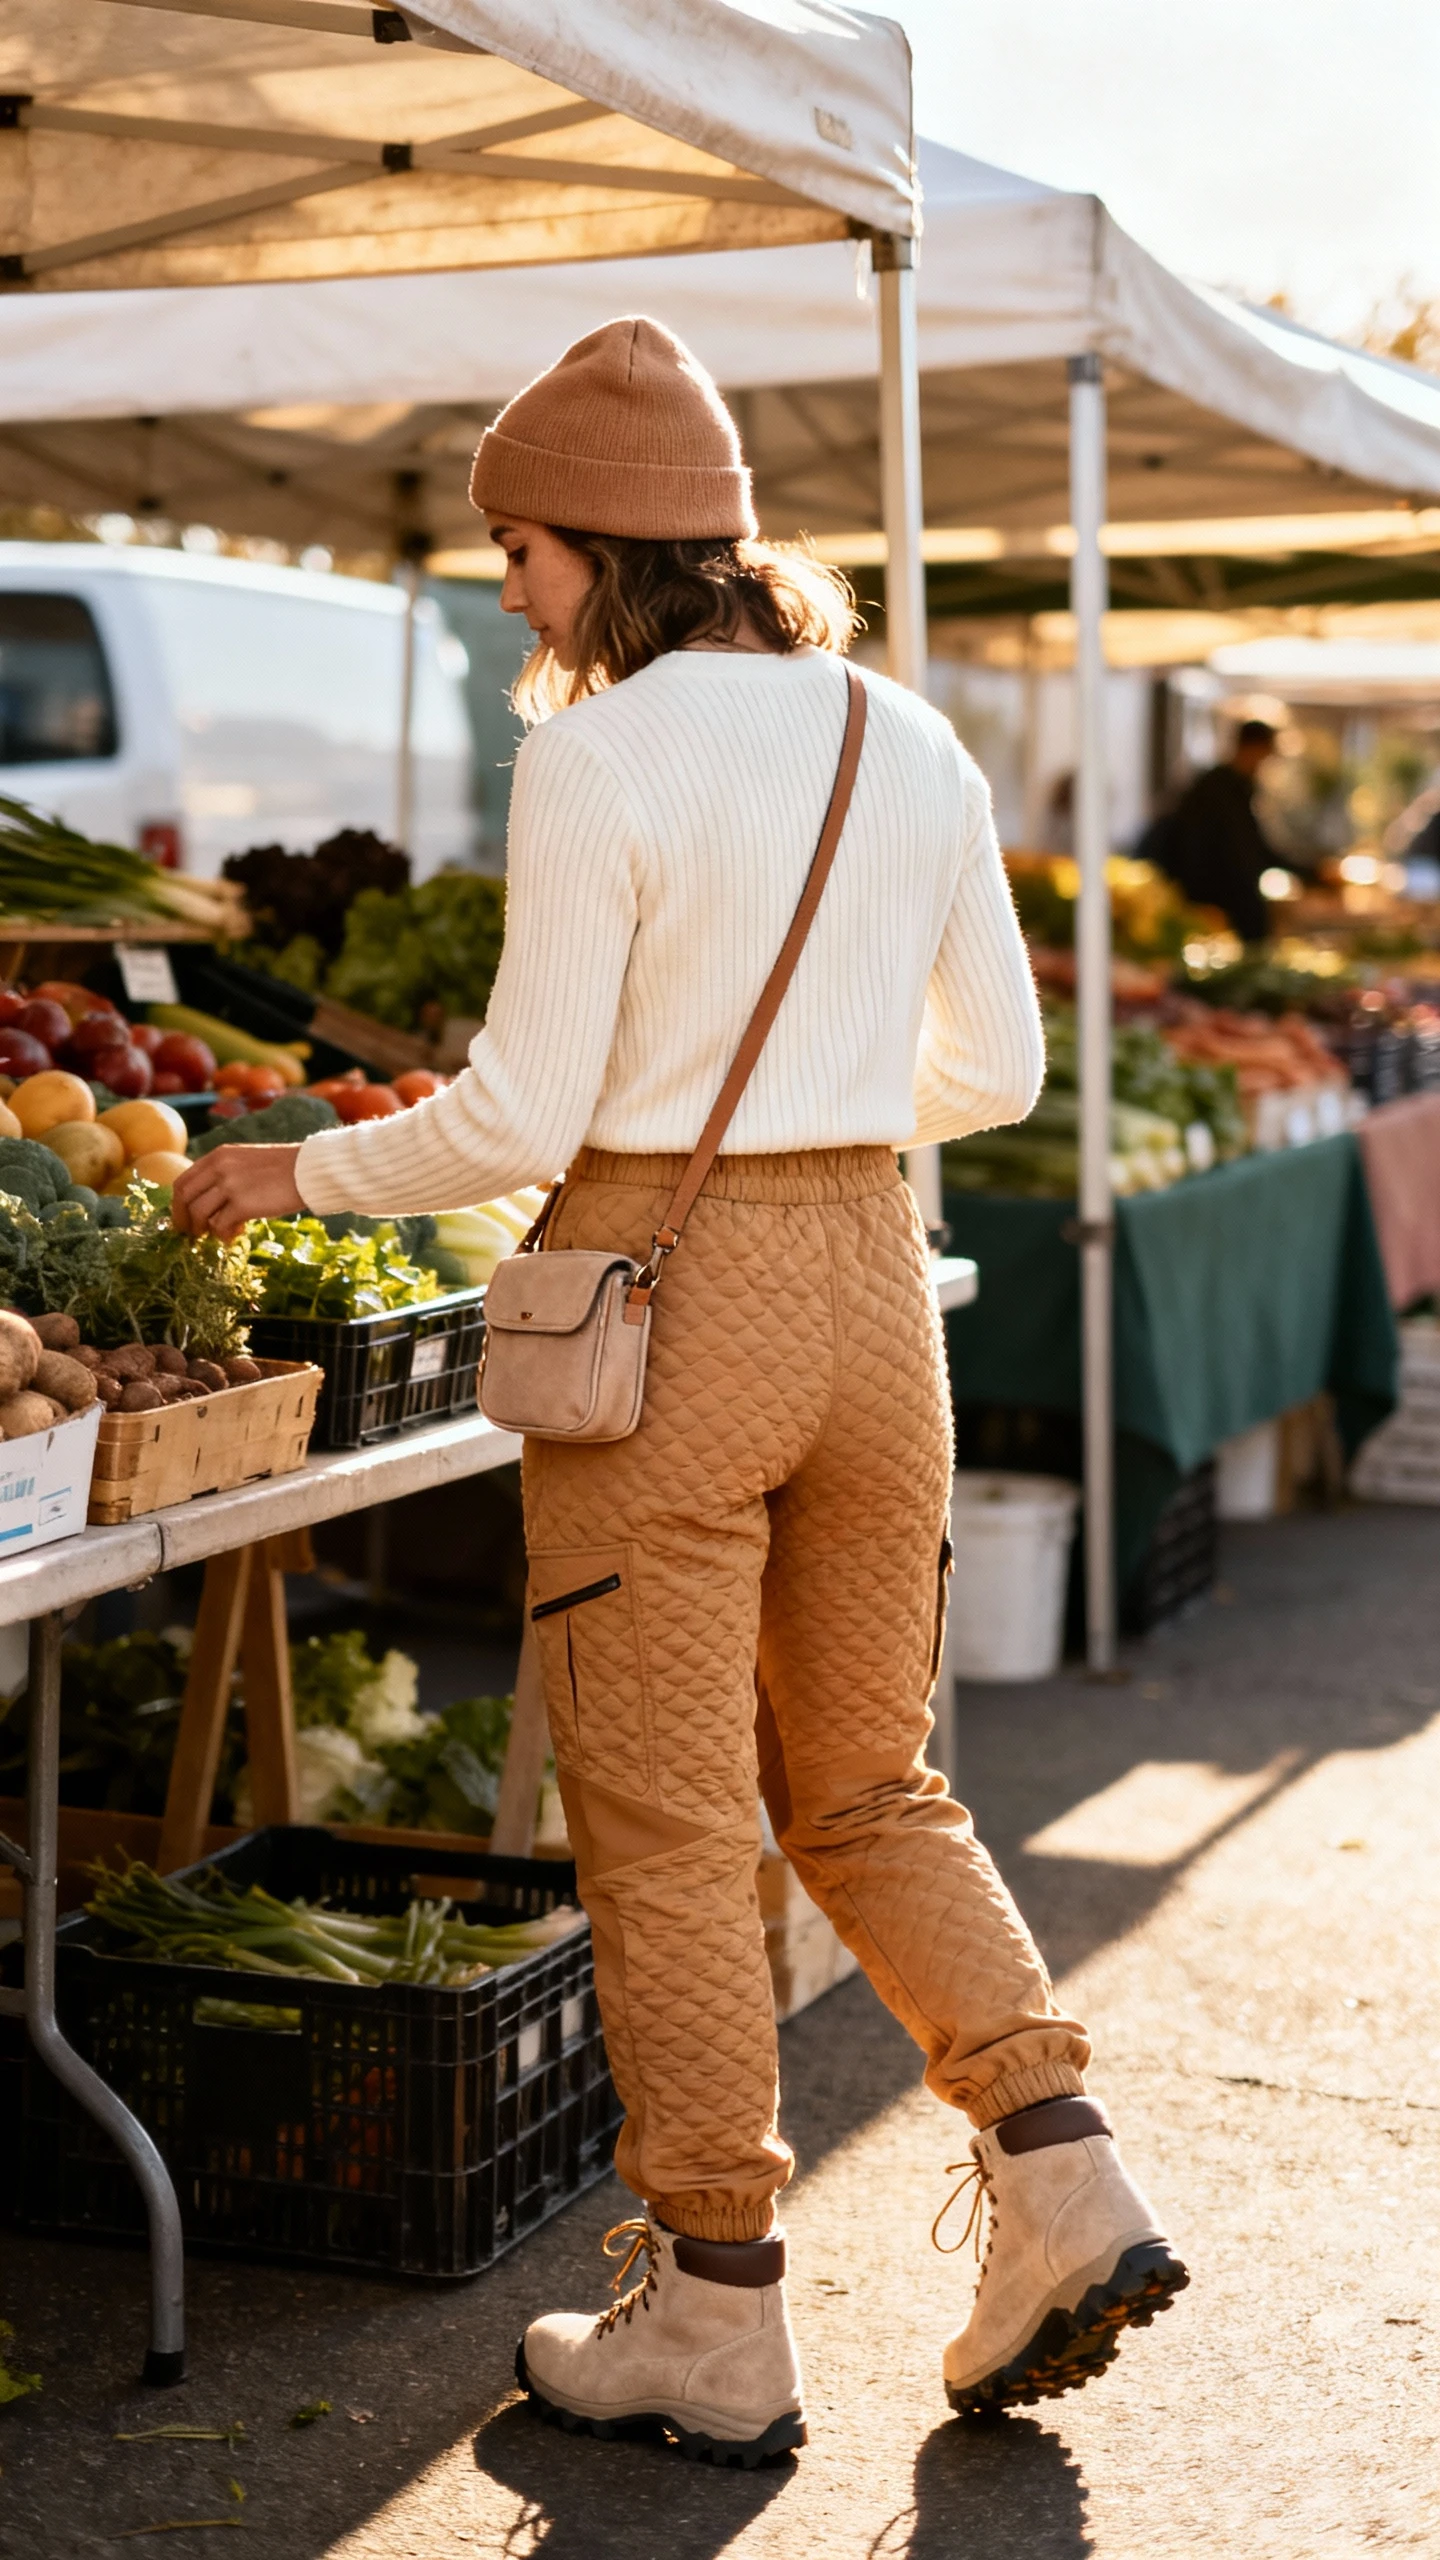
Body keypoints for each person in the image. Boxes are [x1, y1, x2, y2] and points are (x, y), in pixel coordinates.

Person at [173, 318, 1186, 2467]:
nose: (511, 594)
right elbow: (992, 1075)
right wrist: (827, 1118)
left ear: (611, 551)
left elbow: (521, 1105)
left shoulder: (600, 756)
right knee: (871, 1783)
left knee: (656, 1815)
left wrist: (287, 1165)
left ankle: (715, 2307)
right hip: (874, 1281)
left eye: (522, 551)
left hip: (666, 1284)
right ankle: (1066, 2164)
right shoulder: (906, 737)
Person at [1143, 717, 1279, 941]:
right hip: (1217, 910)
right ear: (1256, 748)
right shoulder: (1221, 791)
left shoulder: (1225, 787)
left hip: (1219, 906)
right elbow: (1241, 854)